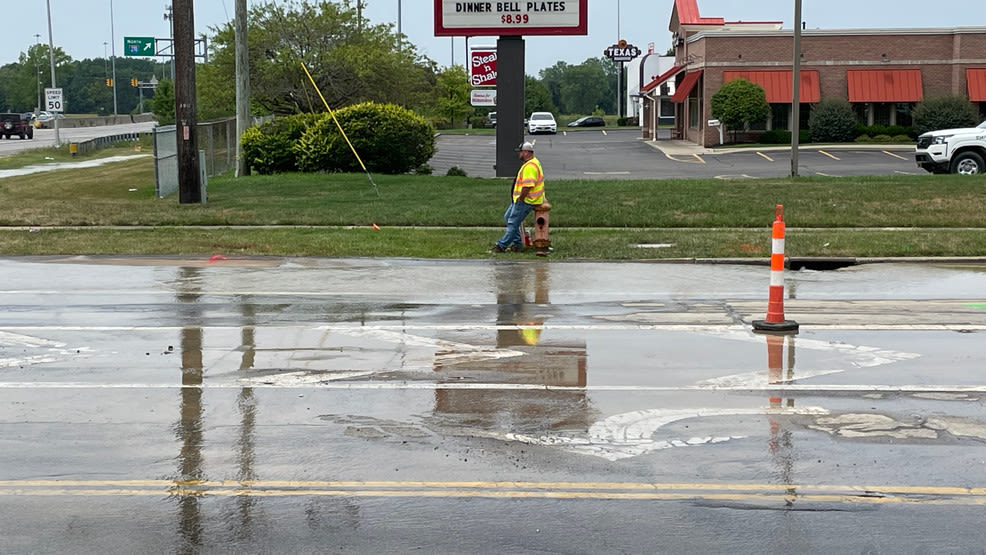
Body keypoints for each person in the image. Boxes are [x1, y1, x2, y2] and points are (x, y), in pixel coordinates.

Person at [491, 141, 546, 253]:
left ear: (526, 152)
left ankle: (501, 246)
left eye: (520, 152)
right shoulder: (533, 163)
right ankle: (517, 244)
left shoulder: (530, 166)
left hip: (526, 200)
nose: (519, 154)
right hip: (522, 200)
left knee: (512, 222)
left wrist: (521, 199)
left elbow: (527, 186)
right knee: (508, 217)